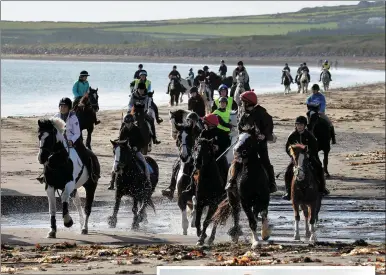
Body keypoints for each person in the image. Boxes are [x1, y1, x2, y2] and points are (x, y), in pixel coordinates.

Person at [226, 91, 278, 194]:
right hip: (246, 144)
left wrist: (264, 135)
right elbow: (240, 128)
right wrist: (241, 135)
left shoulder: (262, 113)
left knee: (265, 161)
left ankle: (272, 183)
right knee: (237, 160)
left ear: (248, 102)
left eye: (243, 102)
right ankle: (232, 181)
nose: (241, 104)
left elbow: (269, 126)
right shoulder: (244, 115)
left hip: (259, 144)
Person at [282, 116, 330, 200]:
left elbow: (315, 148)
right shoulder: (292, 136)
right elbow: (287, 148)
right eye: (297, 124)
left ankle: (322, 189)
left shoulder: (310, 136)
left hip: (309, 157)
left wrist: (309, 154)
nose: (299, 126)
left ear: (305, 126)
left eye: (301, 125)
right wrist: (292, 156)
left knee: (319, 168)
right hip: (296, 158)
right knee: (287, 171)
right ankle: (288, 192)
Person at [182, 113, 230, 197]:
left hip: (218, 157)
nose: (203, 124)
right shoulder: (204, 132)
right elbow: (198, 143)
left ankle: (227, 189)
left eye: (205, 123)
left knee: (226, 169)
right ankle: (191, 186)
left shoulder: (222, 133)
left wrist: (218, 147)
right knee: (195, 169)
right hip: (205, 157)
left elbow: (227, 143)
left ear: (210, 124)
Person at [161, 112, 202, 200]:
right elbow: (178, 142)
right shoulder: (184, 129)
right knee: (175, 166)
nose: (192, 123)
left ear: (196, 122)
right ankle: (171, 189)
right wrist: (181, 148)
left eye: (194, 121)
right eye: (190, 121)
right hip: (186, 153)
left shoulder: (199, 130)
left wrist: (196, 148)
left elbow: (201, 142)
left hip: (197, 154)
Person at [107, 113, 151, 190]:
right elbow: (120, 141)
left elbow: (143, 142)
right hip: (125, 151)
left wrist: (136, 147)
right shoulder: (123, 130)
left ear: (132, 123)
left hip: (135, 151)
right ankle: (112, 182)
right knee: (115, 164)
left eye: (129, 123)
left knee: (144, 161)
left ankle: (147, 180)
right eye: (126, 123)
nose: (127, 125)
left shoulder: (137, 130)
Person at [54, 97, 94, 180]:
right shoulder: (56, 117)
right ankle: (45, 175)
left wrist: (71, 141)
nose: (62, 108)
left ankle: (91, 173)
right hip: (60, 141)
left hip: (73, 141)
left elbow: (77, 133)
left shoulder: (73, 117)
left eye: (65, 107)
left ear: (69, 108)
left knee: (85, 154)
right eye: (61, 106)